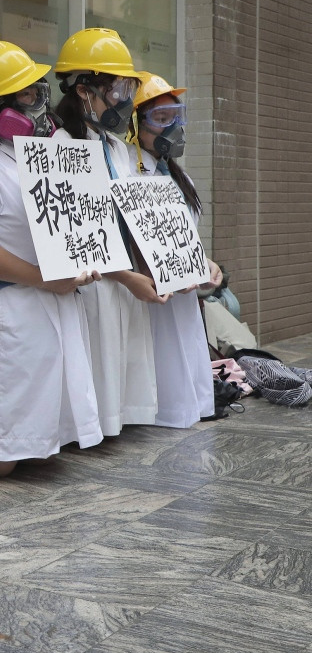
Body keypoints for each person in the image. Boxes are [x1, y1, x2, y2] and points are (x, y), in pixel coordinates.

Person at [0, 38, 103, 476]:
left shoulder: (43, 156)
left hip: (47, 307)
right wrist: (42, 277)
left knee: (41, 448)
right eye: (27, 94)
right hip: (4, 308)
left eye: (38, 91)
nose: (40, 104)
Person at [53, 27, 160, 436]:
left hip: (126, 277)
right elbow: (76, 231)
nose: (125, 100)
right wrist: (125, 275)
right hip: (93, 281)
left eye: (127, 87)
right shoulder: (60, 144)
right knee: (96, 365)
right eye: (116, 88)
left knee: (121, 374)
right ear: (83, 89)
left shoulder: (116, 145)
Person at [128, 71, 221, 427]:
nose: (172, 127)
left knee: (187, 383)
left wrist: (205, 264)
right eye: (160, 119)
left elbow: (186, 239)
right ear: (136, 125)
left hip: (184, 300)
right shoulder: (129, 176)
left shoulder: (181, 178)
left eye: (177, 117)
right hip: (151, 299)